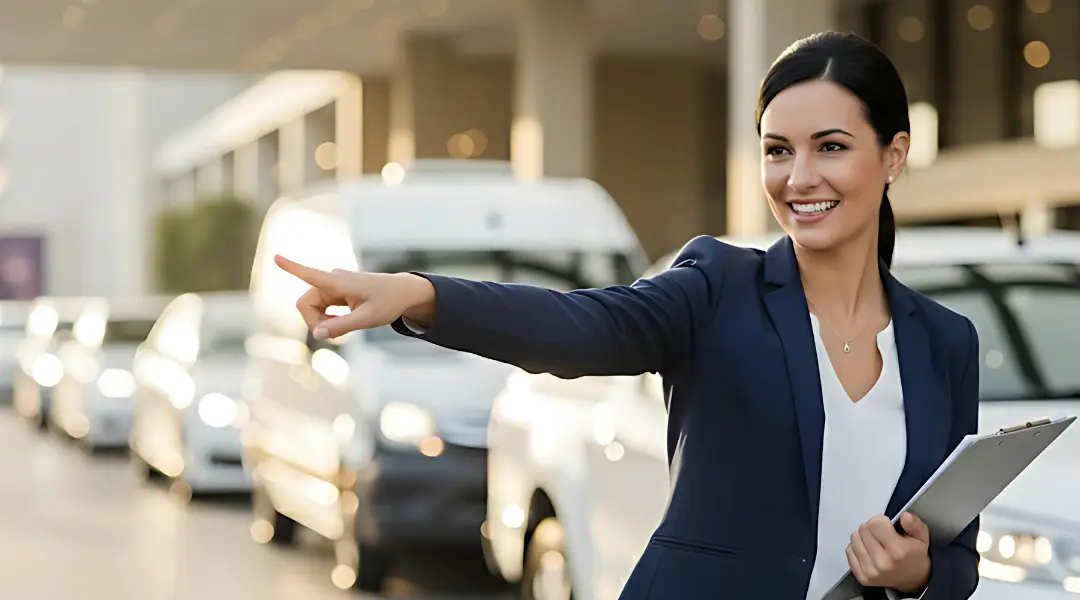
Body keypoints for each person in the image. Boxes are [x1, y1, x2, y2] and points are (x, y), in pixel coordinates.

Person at [275, 31, 980, 600]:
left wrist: (917, 574)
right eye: (776, 151)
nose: (798, 178)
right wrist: (421, 296)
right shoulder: (718, 286)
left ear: (893, 156)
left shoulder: (947, 343)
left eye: (830, 147)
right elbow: (579, 326)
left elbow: (958, 560)